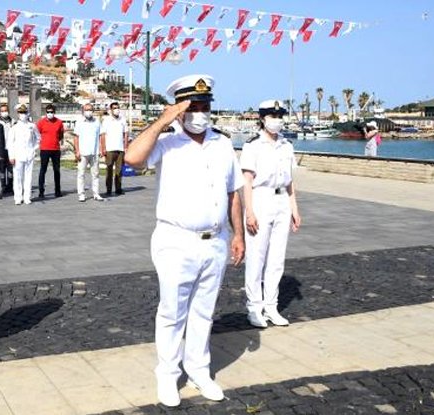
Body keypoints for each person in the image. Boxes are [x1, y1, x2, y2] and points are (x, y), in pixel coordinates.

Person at [124, 75, 245, 407]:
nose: (200, 113)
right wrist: (163, 119)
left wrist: (239, 235)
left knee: (204, 312)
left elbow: (234, 191)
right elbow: (132, 158)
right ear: (179, 109)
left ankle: (198, 370)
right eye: (193, 107)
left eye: (205, 106)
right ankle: (167, 374)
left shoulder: (222, 143)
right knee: (173, 311)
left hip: (215, 240)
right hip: (176, 240)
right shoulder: (166, 142)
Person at [241, 100, 302, 329]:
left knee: (277, 259)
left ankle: (271, 306)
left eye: (279, 116)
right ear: (263, 118)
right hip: (261, 198)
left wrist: (294, 208)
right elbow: (247, 181)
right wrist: (249, 212)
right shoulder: (253, 145)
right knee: (256, 257)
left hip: (281, 202)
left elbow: (290, 181)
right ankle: (254, 308)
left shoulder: (286, 145)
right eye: (272, 116)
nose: (277, 119)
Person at [6, 104, 40, 205]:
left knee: (28, 177)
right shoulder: (14, 127)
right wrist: (11, 156)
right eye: (21, 113)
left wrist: (34, 149)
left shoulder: (32, 126)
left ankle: (27, 197)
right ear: (17, 114)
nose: (23, 114)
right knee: (17, 177)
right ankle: (18, 197)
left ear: (27, 113)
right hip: (18, 155)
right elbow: (10, 143)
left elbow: (38, 138)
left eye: (24, 112)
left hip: (29, 154)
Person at [73, 103, 104, 202]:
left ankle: (96, 193)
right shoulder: (79, 122)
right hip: (83, 152)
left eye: (90, 109)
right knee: (81, 174)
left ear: (93, 111)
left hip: (94, 153)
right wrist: (77, 151)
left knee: (95, 174)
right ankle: (81, 194)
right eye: (86, 110)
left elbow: (100, 136)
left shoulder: (97, 122)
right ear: (83, 111)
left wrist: (101, 149)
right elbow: (76, 137)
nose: (88, 111)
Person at [100, 102, 129, 196]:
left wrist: (126, 147)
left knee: (119, 170)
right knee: (109, 170)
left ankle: (118, 188)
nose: (117, 109)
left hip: (120, 149)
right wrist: (103, 148)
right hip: (109, 149)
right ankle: (108, 189)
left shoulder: (123, 120)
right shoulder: (106, 120)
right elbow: (103, 135)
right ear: (111, 110)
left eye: (118, 108)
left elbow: (126, 134)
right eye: (114, 108)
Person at [36, 103, 65, 199]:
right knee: (42, 170)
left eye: (51, 112)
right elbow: (37, 134)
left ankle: (57, 190)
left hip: (55, 149)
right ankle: (41, 191)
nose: (50, 114)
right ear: (46, 112)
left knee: (56, 170)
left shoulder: (59, 122)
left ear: (54, 112)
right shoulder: (41, 122)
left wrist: (57, 141)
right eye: (48, 112)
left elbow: (61, 134)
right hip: (44, 149)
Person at [0, 103, 15, 195]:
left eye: (5, 110)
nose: (4, 112)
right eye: (2, 111)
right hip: (1, 149)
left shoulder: (13, 122)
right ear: (0, 112)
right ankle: (3, 186)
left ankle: (10, 186)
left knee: (11, 168)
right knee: (1, 169)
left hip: (11, 148)